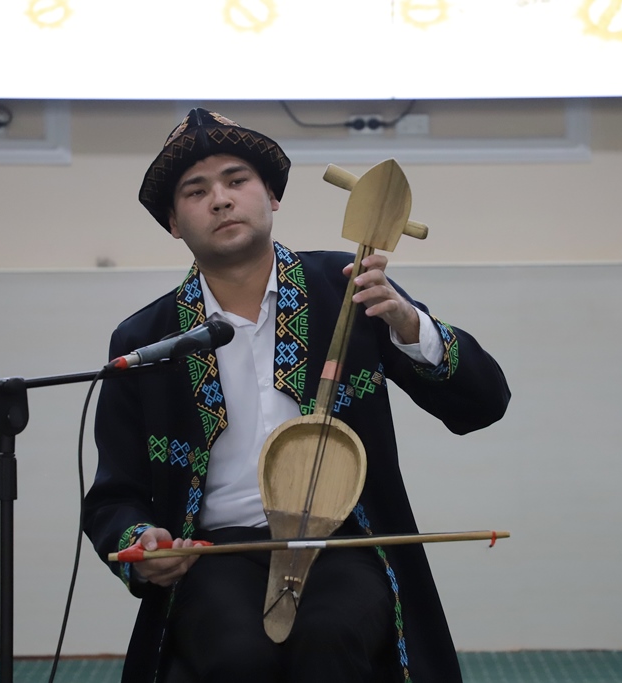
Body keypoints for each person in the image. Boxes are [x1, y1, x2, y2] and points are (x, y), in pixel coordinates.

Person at [83, 108, 510, 683]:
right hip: (216, 551)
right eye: (196, 191)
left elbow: (483, 404)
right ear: (174, 223)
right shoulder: (145, 340)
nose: (220, 200)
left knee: (330, 639)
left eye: (237, 181)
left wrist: (411, 326)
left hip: (344, 541)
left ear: (272, 196)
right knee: (237, 655)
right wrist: (142, 542)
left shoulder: (348, 287)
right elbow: (114, 495)